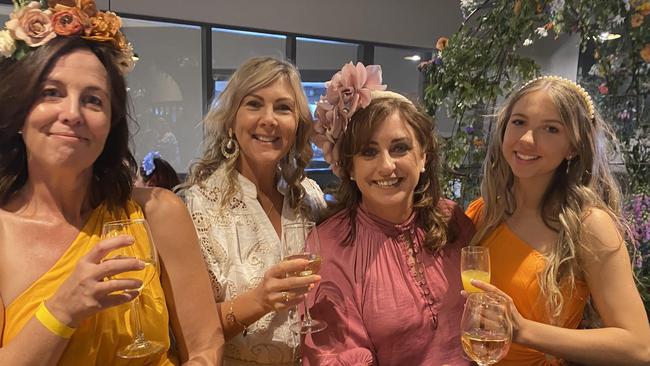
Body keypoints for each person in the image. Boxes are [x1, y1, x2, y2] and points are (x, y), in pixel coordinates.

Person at [0, 2, 223, 364]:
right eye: (51, 92)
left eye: (92, 100)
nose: (72, 114)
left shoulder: (158, 213)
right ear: (20, 113)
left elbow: (205, 345)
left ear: (110, 123)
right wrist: (62, 310)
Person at [466, 75, 650, 365]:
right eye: (519, 122)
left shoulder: (588, 226)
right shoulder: (482, 213)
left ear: (573, 147)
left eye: (551, 129)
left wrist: (524, 330)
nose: (527, 139)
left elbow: (638, 346)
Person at [302, 62, 474, 365]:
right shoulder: (328, 247)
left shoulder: (453, 219)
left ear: (422, 157)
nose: (386, 166)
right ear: (349, 168)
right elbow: (335, 354)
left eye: (399, 148)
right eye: (368, 152)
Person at [180, 56, 326, 366]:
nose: (269, 119)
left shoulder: (311, 198)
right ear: (231, 120)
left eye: (283, 108)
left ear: (297, 123)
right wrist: (258, 301)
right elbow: (184, 333)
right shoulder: (195, 208)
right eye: (254, 104)